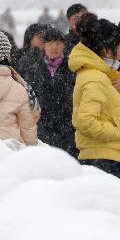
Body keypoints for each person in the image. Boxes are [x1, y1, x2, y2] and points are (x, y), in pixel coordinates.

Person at [69, 13, 120, 182]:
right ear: (106, 50)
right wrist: (119, 133)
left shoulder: (104, 76)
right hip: (103, 159)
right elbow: (85, 121)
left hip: (107, 157)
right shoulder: (95, 78)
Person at [23, 27, 77, 157]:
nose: (54, 47)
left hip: (67, 126)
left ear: (64, 45)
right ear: (44, 46)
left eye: (58, 43)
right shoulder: (34, 69)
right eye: (50, 43)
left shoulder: (72, 68)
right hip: (43, 126)